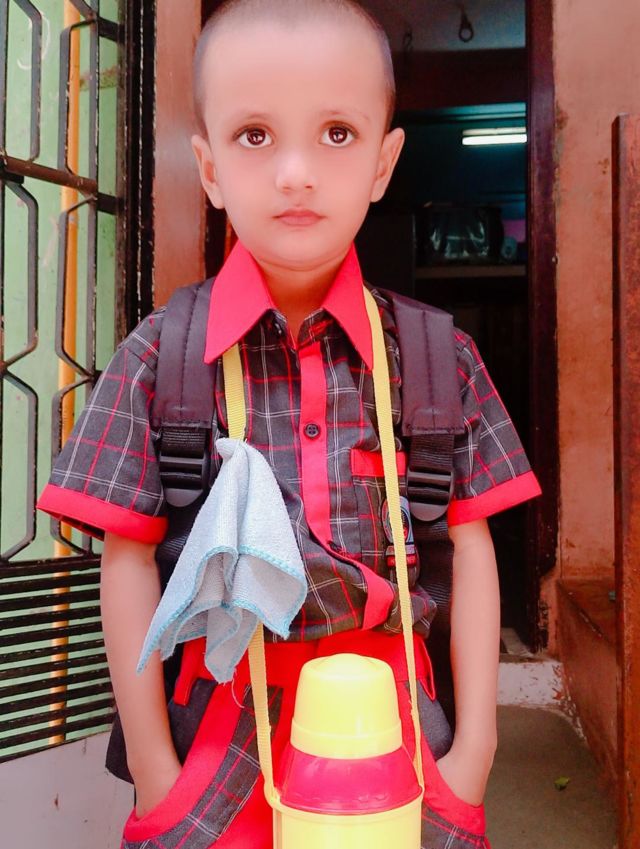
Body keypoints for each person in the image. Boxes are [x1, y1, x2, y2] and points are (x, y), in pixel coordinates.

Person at [37, 1, 541, 846]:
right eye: (255, 135)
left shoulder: (435, 355)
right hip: (221, 725)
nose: (297, 172)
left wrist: (476, 752)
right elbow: (125, 561)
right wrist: (157, 773)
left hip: (395, 725)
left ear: (383, 162)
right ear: (208, 167)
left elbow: (473, 547)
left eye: (337, 133)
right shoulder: (161, 356)